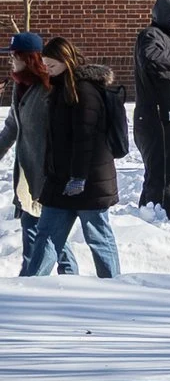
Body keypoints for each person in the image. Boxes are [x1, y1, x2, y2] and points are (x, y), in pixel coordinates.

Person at [24, 37, 123, 275]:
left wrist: (78, 177)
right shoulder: (59, 90)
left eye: (52, 65)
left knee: (98, 237)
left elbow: (85, 138)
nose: (47, 70)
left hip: (89, 182)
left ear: (66, 61)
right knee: (45, 237)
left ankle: (114, 287)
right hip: (60, 181)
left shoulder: (85, 90)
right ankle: (30, 289)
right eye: (45, 65)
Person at [132, 0, 170, 220]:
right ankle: (155, 216)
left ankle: (165, 214)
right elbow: (151, 58)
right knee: (161, 173)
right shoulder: (150, 36)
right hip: (156, 118)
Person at [1, 29, 52, 269]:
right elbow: (12, 126)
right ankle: (30, 276)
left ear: (28, 58)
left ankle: (67, 276)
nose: (11, 60)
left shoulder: (49, 89)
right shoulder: (19, 86)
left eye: (14, 56)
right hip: (25, 171)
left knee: (49, 232)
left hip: (47, 171)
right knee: (32, 226)